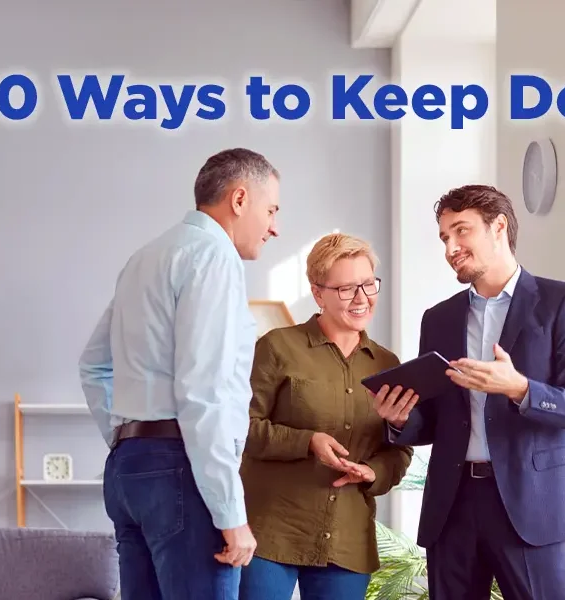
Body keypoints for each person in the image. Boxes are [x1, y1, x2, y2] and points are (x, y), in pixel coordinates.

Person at [373, 184, 565, 600]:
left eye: (461, 231)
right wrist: (402, 418)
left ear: (498, 227)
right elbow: (438, 420)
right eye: (444, 237)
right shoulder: (439, 318)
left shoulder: (562, 302)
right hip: (453, 504)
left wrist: (518, 388)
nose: (450, 247)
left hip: (531, 506)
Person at [78, 148, 281, 599]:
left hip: (130, 473)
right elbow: (203, 391)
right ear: (240, 199)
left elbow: (93, 364)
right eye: (271, 210)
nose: (274, 227)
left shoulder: (146, 257)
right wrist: (232, 516)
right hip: (182, 471)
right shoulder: (214, 256)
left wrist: (125, 438)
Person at [237, 233, 414, 600]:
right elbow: (242, 428)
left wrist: (373, 471)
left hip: (347, 538)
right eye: (347, 288)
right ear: (318, 294)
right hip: (271, 530)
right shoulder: (277, 346)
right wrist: (307, 442)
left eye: (368, 284)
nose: (362, 298)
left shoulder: (388, 365)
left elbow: (399, 450)